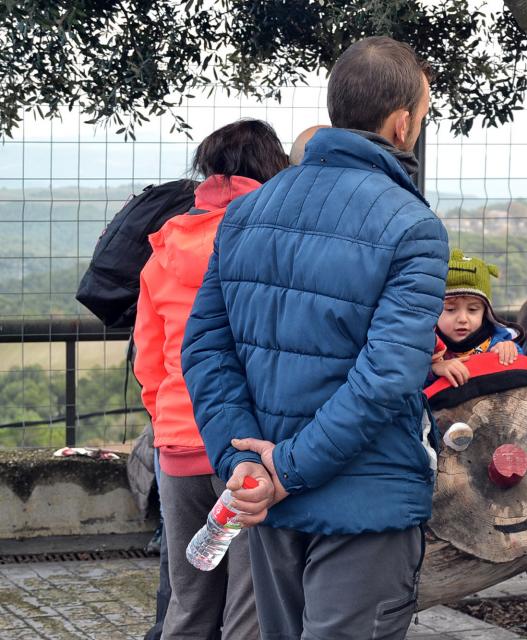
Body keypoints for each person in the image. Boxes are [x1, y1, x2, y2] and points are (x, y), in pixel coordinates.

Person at [180, 36, 447, 640]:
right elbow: (387, 378)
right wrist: (290, 469)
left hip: (268, 501)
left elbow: (204, 350)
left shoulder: (248, 212)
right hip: (364, 503)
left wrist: (244, 465)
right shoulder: (412, 226)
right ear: (402, 124)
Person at [133, 119, 288, 639]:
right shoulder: (270, 239)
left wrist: (168, 420)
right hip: (247, 446)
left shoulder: (164, 249)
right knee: (247, 606)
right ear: (272, 170)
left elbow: (148, 360)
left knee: (189, 598)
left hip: (177, 442)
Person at [431, 249, 523, 387]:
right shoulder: (425, 346)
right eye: (450, 309)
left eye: (473, 309)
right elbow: (407, 377)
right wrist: (434, 370)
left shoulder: (496, 342)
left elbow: (521, 365)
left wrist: (510, 349)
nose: (462, 318)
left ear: (486, 313)